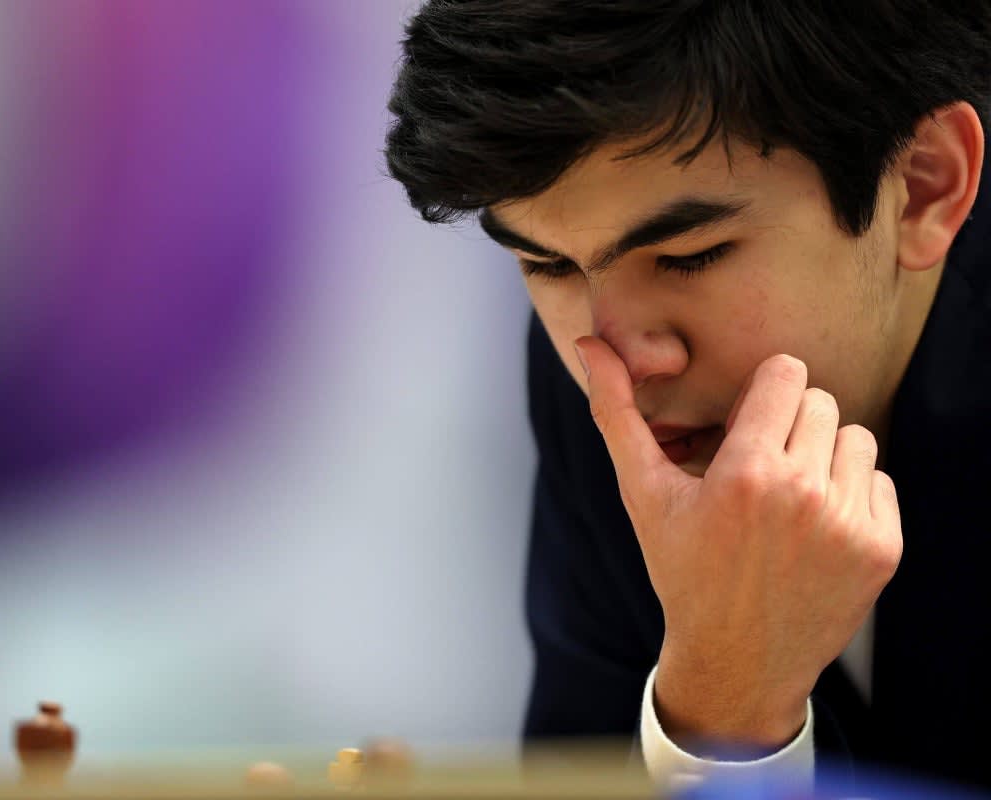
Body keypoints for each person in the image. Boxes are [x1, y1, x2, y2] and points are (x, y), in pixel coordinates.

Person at [384, 1, 991, 792]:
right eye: (548, 267)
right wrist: (723, 709)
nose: (623, 366)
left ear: (921, 187)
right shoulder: (595, 366)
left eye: (689, 257)